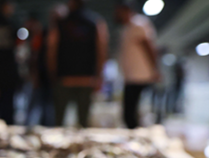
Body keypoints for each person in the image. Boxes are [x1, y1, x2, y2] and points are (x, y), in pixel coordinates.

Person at [47, 0, 108, 128]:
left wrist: (52, 73)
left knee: (59, 122)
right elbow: (102, 51)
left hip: (64, 78)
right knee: (83, 123)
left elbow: (51, 49)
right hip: (86, 79)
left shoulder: (60, 23)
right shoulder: (95, 22)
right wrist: (99, 76)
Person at [116, 0, 160, 129]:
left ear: (125, 11)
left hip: (140, 76)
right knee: (129, 112)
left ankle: (138, 140)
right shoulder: (127, 27)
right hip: (131, 76)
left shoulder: (138, 24)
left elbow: (149, 47)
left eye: (119, 12)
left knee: (130, 113)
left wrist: (155, 69)